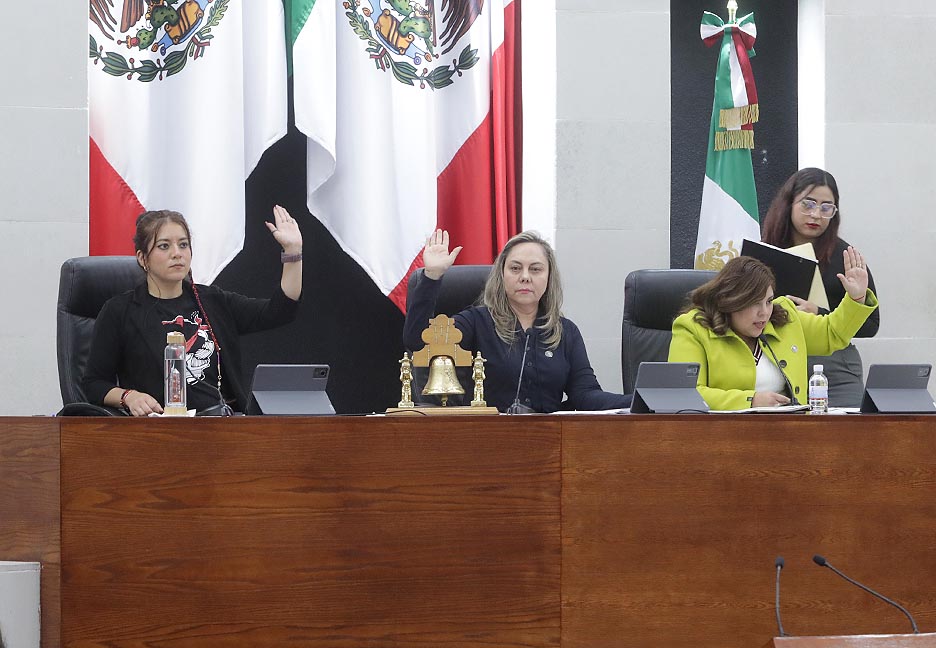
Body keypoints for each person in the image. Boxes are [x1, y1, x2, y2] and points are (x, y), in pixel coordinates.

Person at [81, 207, 302, 416]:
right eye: (164, 246)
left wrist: (293, 252)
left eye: (183, 245)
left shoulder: (213, 301)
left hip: (222, 425)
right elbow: (94, 384)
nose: (177, 253)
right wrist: (128, 396)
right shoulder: (120, 311)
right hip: (158, 428)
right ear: (142, 258)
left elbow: (279, 311)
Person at [403, 229, 631, 413]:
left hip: (549, 443)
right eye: (515, 268)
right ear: (502, 275)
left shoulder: (565, 331)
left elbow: (585, 394)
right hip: (487, 441)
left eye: (536, 269)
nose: (525, 277)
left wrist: (636, 400)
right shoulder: (477, 322)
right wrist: (432, 276)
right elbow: (418, 342)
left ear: (549, 277)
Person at [668, 253, 878, 410]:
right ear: (730, 301)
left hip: (787, 433)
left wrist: (856, 298)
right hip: (721, 436)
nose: (764, 312)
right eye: (754, 303)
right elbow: (683, 393)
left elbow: (832, 333)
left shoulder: (783, 317)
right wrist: (750, 401)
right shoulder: (693, 327)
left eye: (768, 301)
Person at [760, 167, 879, 406]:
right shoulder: (765, 251)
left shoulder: (845, 256)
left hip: (834, 367)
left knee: (844, 428)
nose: (816, 214)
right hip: (777, 363)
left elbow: (871, 325)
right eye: (808, 204)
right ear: (788, 203)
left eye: (827, 208)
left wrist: (819, 312)